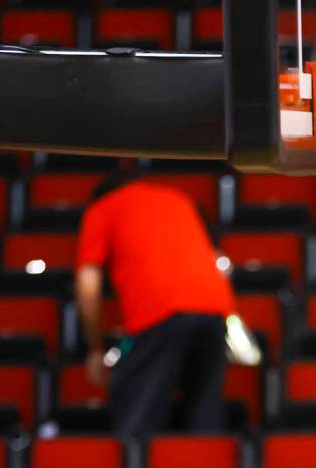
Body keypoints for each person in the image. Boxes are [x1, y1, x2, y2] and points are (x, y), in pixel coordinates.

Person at [75, 172, 237, 438]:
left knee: (137, 417)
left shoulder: (101, 209)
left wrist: (94, 348)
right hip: (215, 308)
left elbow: (88, 286)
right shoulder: (178, 199)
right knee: (206, 421)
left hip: (161, 310)